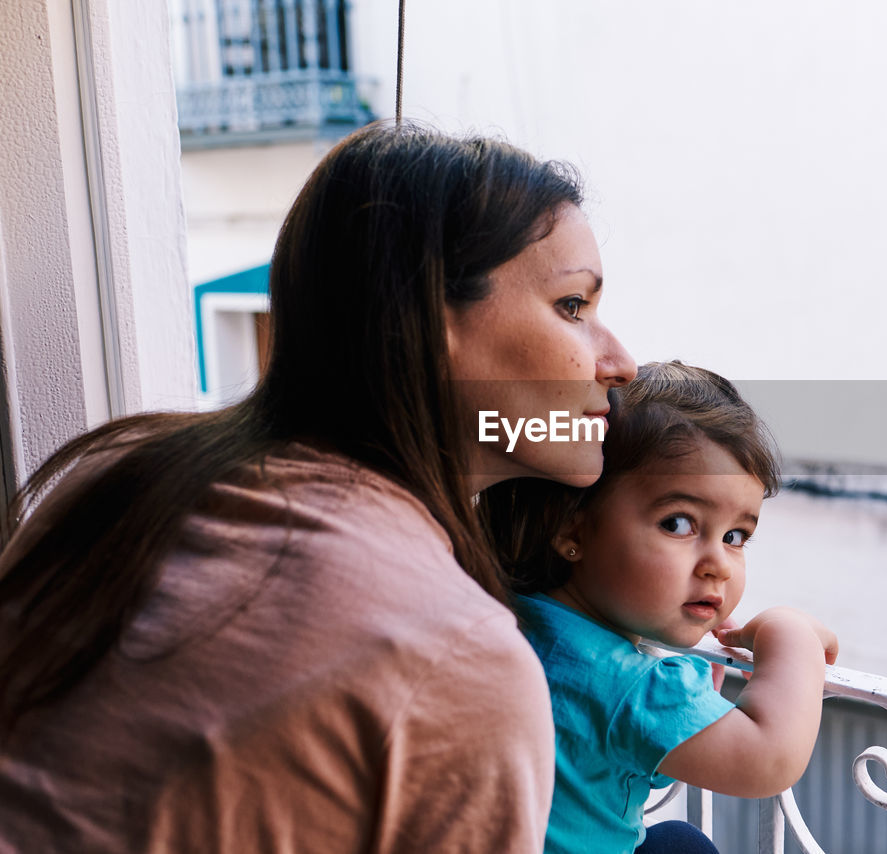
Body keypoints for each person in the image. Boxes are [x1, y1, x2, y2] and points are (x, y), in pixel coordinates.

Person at [0, 119, 636, 853]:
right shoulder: (457, 659)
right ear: (431, 321)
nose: (620, 361)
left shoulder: (126, 471)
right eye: (573, 307)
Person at [481, 361, 839, 854]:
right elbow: (769, 759)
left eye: (736, 537)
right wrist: (791, 634)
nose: (718, 565)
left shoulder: (506, 614)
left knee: (675, 842)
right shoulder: (629, 684)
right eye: (678, 524)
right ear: (570, 528)